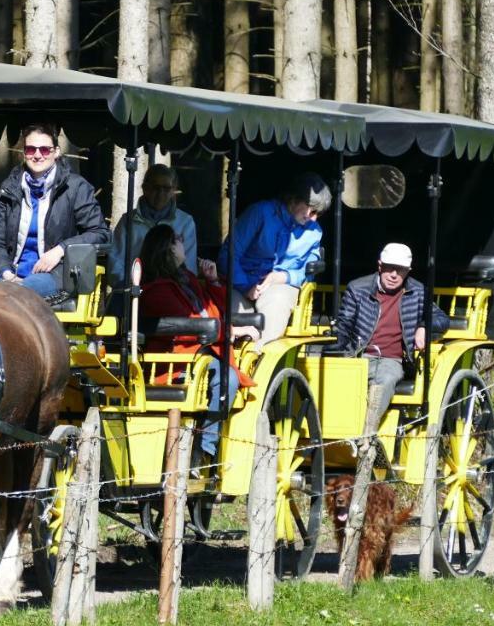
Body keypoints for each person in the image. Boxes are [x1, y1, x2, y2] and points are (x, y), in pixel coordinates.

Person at [139, 224, 257, 464]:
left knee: (226, 375)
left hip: (200, 352)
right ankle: (204, 450)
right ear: (169, 248)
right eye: (179, 240)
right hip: (177, 362)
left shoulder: (188, 279)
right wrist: (232, 330)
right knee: (227, 379)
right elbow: (192, 324)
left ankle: (204, 445)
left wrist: (213, 282)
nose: (185, 244)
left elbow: (214, 312)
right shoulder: (157, 290)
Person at [0, 123, 110, 299]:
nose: (37, 155)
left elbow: (99, 232)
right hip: (9, 274)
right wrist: (7, 273)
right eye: (30, 150)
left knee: (21, 293)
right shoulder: (9, 188)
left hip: (56, 273)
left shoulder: (75, 188)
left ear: (56, 152)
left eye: (44, 150)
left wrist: (61, 250)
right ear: (24, 153)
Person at [333, 242, 451, 425]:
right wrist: (339, 354)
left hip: (391, 359)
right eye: (390, 268)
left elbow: (442, 319)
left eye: (401, 270)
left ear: (408, 271)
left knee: (385, 380)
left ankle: (367, 433)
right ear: (380, 266)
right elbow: (344, 325)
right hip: (357, 355)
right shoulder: (357, 289)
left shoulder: (418, 291)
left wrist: (424, 326)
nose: (394, 275)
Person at [216, 172, 331, 343]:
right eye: (311, 210)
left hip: (280, 285)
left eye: (318, 214)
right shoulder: (260, 212)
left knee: (277, 302)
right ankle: (232, 359)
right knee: (233, 310)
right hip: (240, 283)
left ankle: (260, 356)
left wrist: (282, 277)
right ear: (294, 199)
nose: (313, 218)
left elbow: (308, 271)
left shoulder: (314, 231)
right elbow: (229, 254)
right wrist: (246, 286)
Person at [109, 164, 198, 286]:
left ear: (173, 191)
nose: (161, 193)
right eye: (156, 188)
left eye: (166, 188)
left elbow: (189, 268)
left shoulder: (185, 222)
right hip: (132, 292)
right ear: (145, 188)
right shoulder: (127, 221)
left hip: (172, 293)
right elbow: (115, 266)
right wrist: (131, 286)